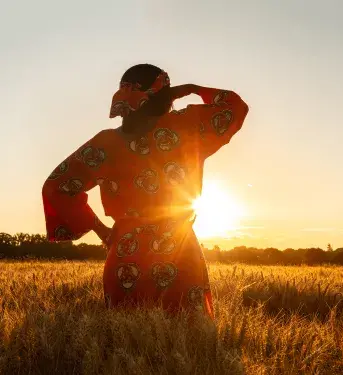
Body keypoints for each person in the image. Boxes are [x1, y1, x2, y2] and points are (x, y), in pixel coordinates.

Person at [42, 64, 249, 318]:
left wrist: (102, 231)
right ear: (165, 94)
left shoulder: (106, 143)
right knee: (189, 344)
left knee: (126, 346)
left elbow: (56, 186)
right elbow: (235, 107)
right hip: (179, 253)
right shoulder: (186, 126)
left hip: (125, 258)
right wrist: (191, 89)